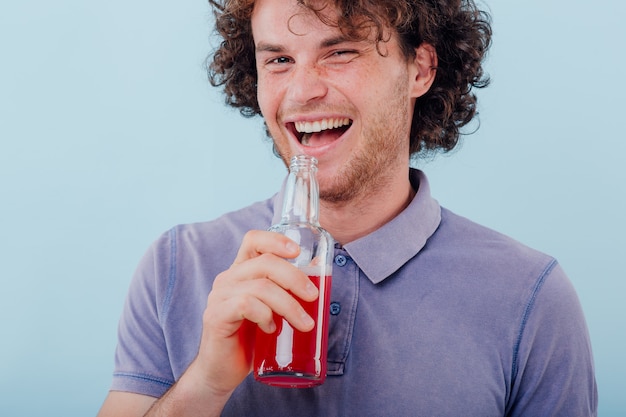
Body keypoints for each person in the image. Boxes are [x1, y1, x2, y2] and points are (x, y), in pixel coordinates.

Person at [97, 0, 598, 415]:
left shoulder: (531, 299)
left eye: (338, 52)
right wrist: (205, 384)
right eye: (278, 60)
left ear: (420, 69)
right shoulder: (175, 265)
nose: (302, 90)